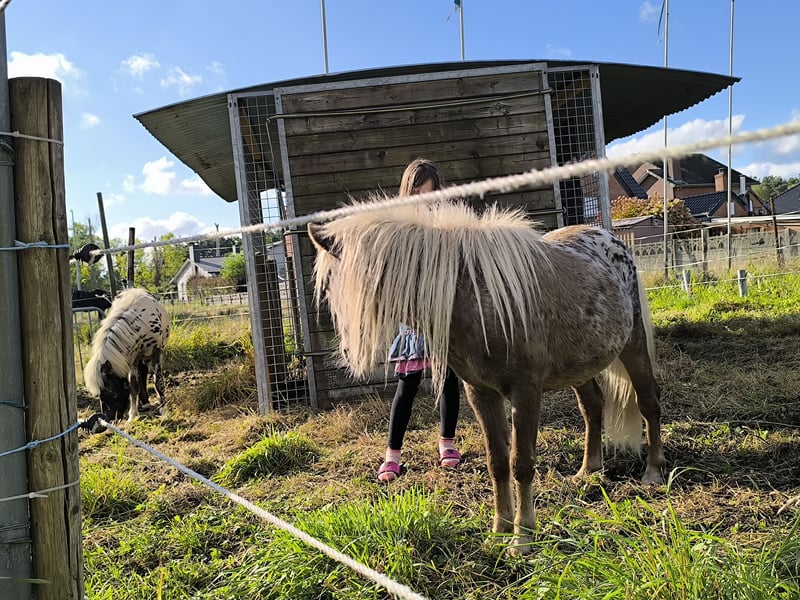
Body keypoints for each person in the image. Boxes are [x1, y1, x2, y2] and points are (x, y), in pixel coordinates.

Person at [377, 158, 463, 483]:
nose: (425, 200)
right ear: (408, 191)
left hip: (443, 313)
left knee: (448, 379)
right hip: (414, 317)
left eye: (430, 194)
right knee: (408, 384)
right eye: (418, 193)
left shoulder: (445, 221)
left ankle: (447, 444)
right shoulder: (398, 225)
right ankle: (392, 456)